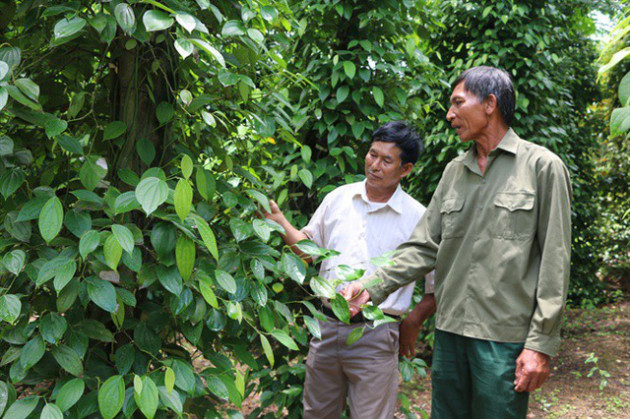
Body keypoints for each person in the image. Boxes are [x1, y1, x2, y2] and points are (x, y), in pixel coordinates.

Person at [341, 66, 572, 418]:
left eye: (458, 103)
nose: (449, 115)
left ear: (490, 103)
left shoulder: (542, 167)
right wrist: (370, 287)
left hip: (503, 337)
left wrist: (540, 344)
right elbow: (424, 246)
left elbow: (555, 261)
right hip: (450, 333)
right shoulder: (454, 171)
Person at [262, 121, 436, 418]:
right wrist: (280, 222)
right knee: (317, 413)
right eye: (372, 154)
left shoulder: (418, 218)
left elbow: (436, 288)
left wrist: (413, 322)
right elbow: (307, 254)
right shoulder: (339, 198)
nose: (375, 165)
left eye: (386, 160)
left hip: (377, 334)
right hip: (326, 328)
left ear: (405, 169)